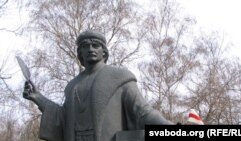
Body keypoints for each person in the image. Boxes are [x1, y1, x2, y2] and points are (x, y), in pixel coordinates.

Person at [23, 30, 174, 141]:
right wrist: (38, 98)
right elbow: (62, 119)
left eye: (95, 45)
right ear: (80, 52)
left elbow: (142, 112)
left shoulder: (120, 77)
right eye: (85, 46)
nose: (90, 49)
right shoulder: (72, 86)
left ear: (104, 52)